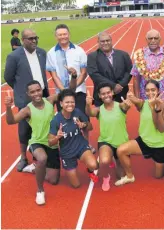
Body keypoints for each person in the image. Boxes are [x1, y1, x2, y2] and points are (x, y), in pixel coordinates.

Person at [4, 76, 77, 205]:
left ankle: (34, 168)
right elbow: (10, 121)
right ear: (28, 94)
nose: (36, 93)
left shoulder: (50, 100)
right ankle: (40, 191)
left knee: (54, 180)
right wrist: (8, 107)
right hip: (36, 142)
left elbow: (69, 92)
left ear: (41, 89)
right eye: (32, 92)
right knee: (42, 158)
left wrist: (74, 76)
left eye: (38, 90)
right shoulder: (27, 110)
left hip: (52, 142)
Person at [4, 28, 50, 172]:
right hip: (25, 99)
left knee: (43, 126)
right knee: (24, 130)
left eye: (36, 38)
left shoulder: (42, 53)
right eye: (30, 38)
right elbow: (8, 77)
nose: (34, 40)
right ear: (23, 40)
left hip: (42, 96)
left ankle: (42, 153)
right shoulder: (14, 56)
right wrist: (22, 91)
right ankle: (23, 157)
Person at [46, 24, 94, 151]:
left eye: (65, 34)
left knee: (83, 120)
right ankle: (67, 146)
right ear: (56, 36)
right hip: (61, 94)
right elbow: (54, 75)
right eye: (60, 34)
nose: (63, 36)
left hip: (78, 92)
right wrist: (64, 91)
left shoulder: (79, 51)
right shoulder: (51, 53)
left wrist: (72, 89)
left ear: (69, 34)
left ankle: (86, 145)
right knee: (64, 121)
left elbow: (84, 73)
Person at [116, 80, 164, 186]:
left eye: (153, 90)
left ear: (158, 91)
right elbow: (132, 100)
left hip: (160, 145)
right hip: (144, 141)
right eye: (147, 90)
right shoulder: (142, 103)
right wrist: (130, 96)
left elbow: (160, 129)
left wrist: (154, 109)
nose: (150, 93)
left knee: (158, 176)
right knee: (121, 150)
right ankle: (130, 176)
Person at [85, 83, 132, 191]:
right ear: (99, 96)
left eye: (108, 92)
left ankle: (115, 159)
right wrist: (88, 104)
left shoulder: (120, 106)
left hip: (122, 143)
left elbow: (126, 106)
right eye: (103, 94)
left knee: (121, 176)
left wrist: (128, 103)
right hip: (106, 142)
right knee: (104, 161)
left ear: (112, 93)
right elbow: (90, 112)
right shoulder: (99, 110)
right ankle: (106, 177)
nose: (106, 95)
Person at [48, 89, 99, 188]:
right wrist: (57, 137)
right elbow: (50, 143)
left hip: (81, 146)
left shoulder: (77, 112)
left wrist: (83, 124)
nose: (70, 104)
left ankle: (89, 170)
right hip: (67, 153)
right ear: (61, 104)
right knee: (76, 185)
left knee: (94, 165)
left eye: (72, 102)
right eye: (67, 102)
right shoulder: (56, 120)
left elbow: (90, 127)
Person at [87, 32, 132, 106]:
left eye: (108, 40)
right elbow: (94, 74)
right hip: (103, 95)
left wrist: (121, 85)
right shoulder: (92, 56)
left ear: (111, 41)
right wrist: (113, 86)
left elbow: (129, 71)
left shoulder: (123, 54)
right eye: (102, 41)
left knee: (121, 116)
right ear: (98, 42)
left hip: (121, 94)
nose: (105, 43)